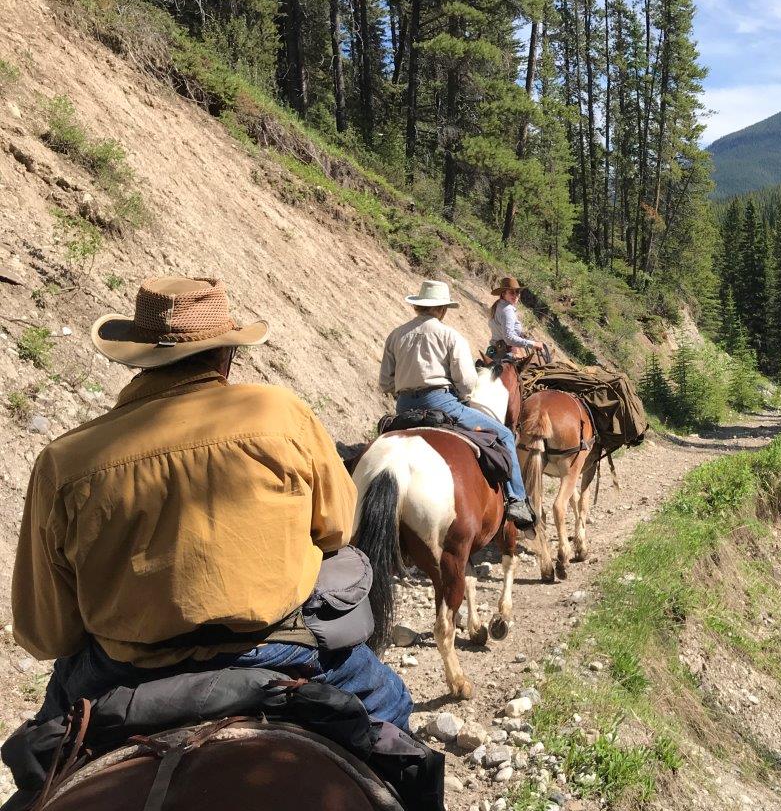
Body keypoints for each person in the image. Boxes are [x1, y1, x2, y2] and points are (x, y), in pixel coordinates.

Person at [11, 277, 412, 729]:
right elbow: (337, 527)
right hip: (272, 648)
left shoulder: (65, 462)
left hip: (125, 670)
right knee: (391, 705)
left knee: (39, 760)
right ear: (227, 356)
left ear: (137, 361)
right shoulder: (279, 415)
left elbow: (47, 633)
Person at [380, 279, 536, 529]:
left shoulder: (396, 335)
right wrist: (458, 393)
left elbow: (386, 383)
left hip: (404, 406)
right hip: (442, 404)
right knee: (505, 435)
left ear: (418, 307)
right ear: (442, 309)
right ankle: (517, 500)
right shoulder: (450, 336)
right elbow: (466, 382)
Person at [488, 276, 545, 360]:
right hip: (506, 354)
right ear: (503, 294)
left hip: (493, 351)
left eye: (517, 292)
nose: (515, 295)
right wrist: (532, 344)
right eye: (511, 292)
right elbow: (509, 338)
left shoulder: (498, 305)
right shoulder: (507, 310)